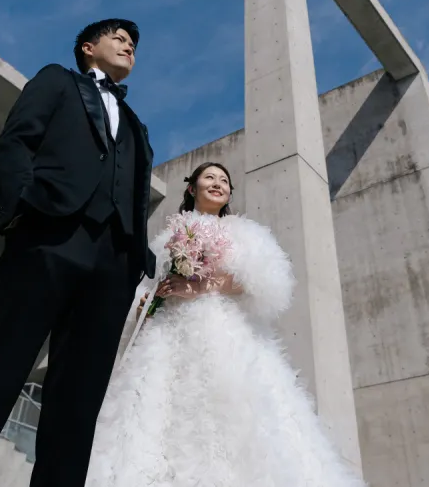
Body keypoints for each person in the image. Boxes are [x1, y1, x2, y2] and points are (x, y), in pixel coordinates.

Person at [0, 19, 155, 487]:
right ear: (88, 48)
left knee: (79, 403)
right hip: (48, 238)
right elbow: (16, 143)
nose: (128, 46)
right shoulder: (56, 80)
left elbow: (137, 192)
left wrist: (135, 256)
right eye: (118, 38)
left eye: (133, 44)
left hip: (114, 261)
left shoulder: (138, 126)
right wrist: (21, 212)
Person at [87, 162, 368, 487]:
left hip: (223, 334)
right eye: (209, 178)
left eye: (224, 180)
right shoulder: (166, 238)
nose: (218, 183)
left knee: (235, 415)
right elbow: (149, 286)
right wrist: (145, 306)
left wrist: (201, 286)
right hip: (166, 338)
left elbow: (263, 279)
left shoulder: (241, 231)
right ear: (192, 188)